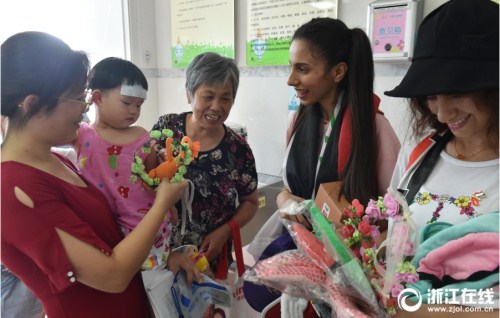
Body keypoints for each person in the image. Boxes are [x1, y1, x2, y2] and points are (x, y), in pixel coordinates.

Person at [1, 31, 201, 318]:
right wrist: (161, 204)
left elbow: (113, 233)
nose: (84, 106)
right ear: (32, 105)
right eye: (74, 96)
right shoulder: (11, 189)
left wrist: (166, 255)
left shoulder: (55, 160)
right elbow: (112, 275)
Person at [384, 0, 499, 316]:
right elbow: (394, 236)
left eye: (458, 92)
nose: (443, 112)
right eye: (432, 96)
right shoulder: (419, 151)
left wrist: (419, 309)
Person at [151, 52, 259, 276]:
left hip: (209, 257)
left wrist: (226, 231)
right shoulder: (166, 128)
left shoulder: (237, 150)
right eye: (208, 96)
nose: (217, 107)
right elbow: (144, 183)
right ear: (189, 94)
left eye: (226, 98)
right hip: (161, 254)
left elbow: (250, 202)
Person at [74, 57, 170, 270]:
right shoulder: (80, 134)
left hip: (144, 227)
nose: (134, 111)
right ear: (97, 97)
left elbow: (154, 179)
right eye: (127, 103)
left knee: (152, 286)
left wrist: (165, 163)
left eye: (139, 105)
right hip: (102, 230)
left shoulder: (142, 137)